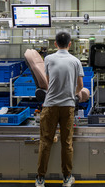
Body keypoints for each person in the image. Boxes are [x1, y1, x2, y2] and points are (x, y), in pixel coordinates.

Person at [36, 32, 84, 187]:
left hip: (50, 105)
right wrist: (72, 92)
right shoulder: (76, 61)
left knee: (45, 141)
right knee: (67, 143)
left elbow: (50, 83)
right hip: (68, 106)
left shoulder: (49, 59)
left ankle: (40, 179)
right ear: (69, 44)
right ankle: (67, 178)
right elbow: (81, 86)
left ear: (55, 44)